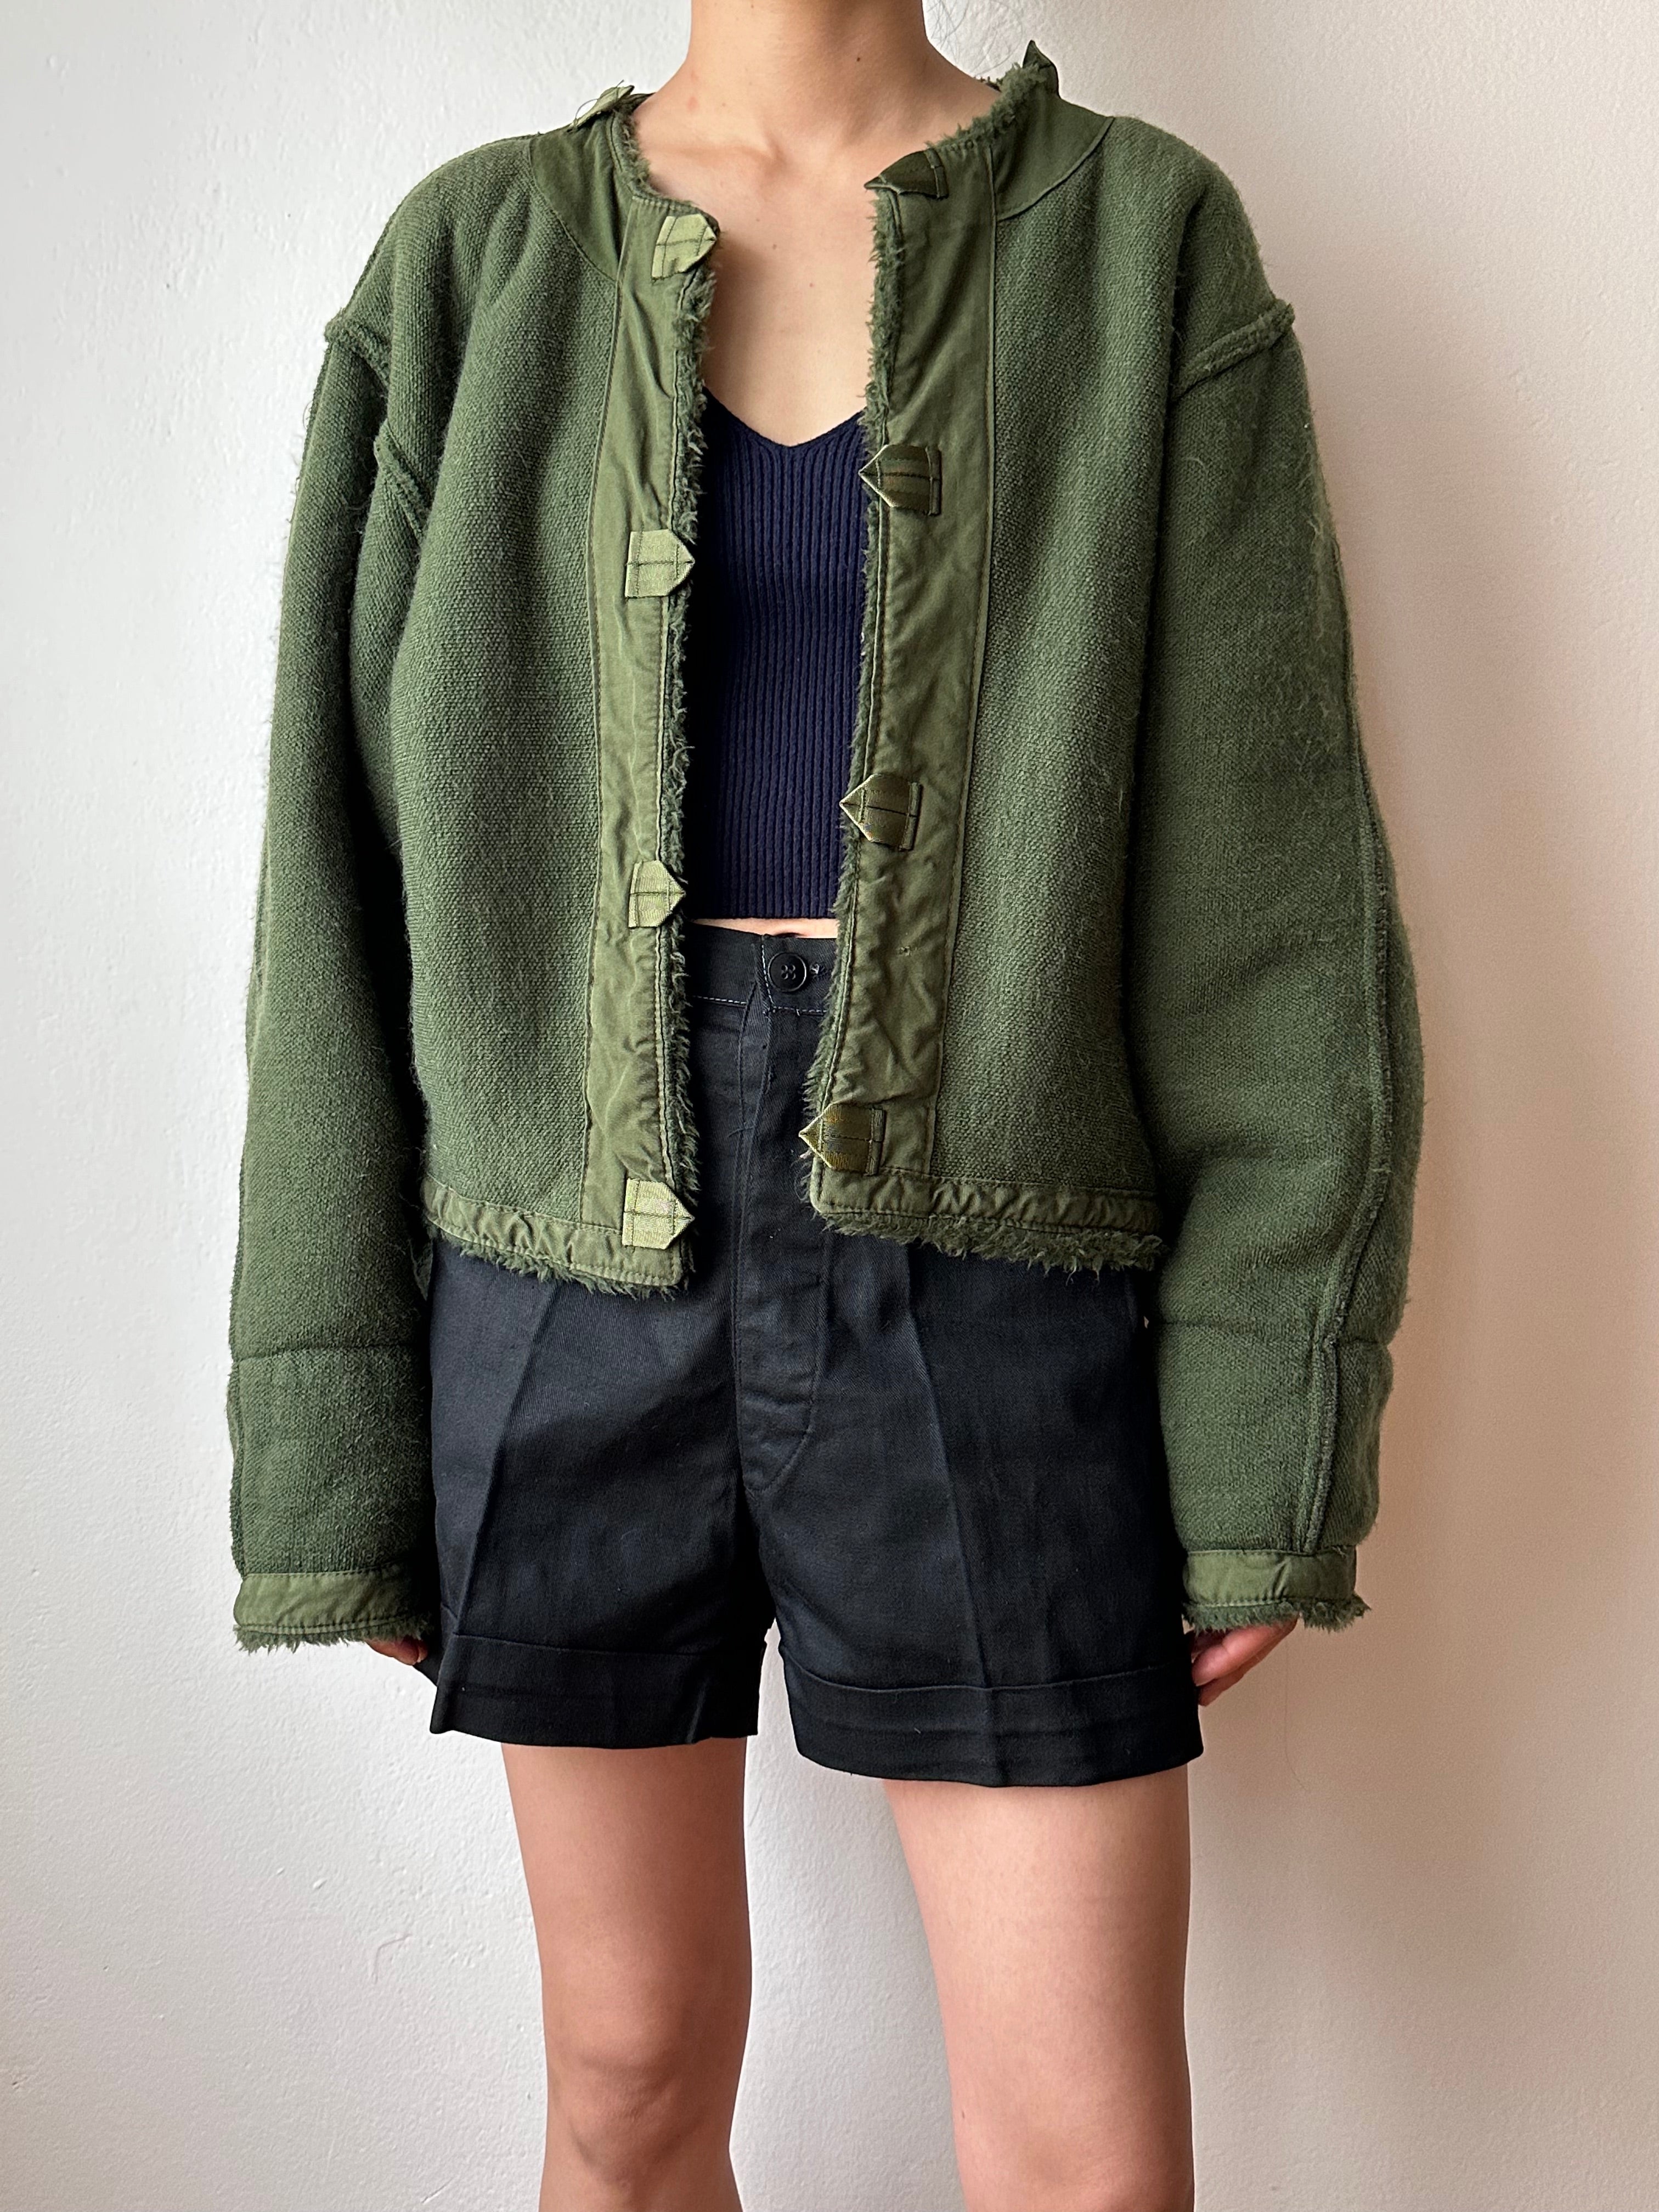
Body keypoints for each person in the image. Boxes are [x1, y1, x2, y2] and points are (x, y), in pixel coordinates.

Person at [225, 5, 1424, 2206]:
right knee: (625, 2085)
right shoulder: (471, 262)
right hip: (563, 1269)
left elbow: (1274, 904)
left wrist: (1271, 1427)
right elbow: (335, 883)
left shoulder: (1140, 242)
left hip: (999, 1262)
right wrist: (339, 1444)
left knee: (1083, 2153)